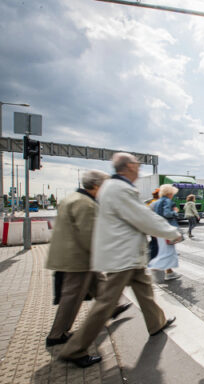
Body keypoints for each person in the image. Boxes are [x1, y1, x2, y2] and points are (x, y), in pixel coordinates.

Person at [59, 153, 181, 368]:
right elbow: (142, 217)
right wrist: (171, 232)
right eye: (137, 164)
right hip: (122, 255)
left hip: (128, 254)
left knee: (145, 291)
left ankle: (156, 323)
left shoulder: (113, 188)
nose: (139, 168)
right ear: (128, 167)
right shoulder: (119, 189)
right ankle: (75, 349)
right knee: (106, 303)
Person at [45, 170, 131, 347]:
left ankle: (113, 308)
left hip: (73, 254)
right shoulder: (86, 204)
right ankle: (57, 334)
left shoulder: (73, 198)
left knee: (100, 282)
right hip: (77, 258)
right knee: (72, 296)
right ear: (96, 185)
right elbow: (90, 235)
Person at [148, 184, 182, 281]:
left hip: (159, 230)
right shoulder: (167, 201)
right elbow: (167, 213)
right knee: (168, 252)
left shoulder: (157, 202)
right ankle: (154, 266)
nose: (173, 195)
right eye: (172, 194)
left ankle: (168, 272)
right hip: (167, 230)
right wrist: (175, 212)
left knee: (165, 251)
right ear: (170, 193)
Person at [147, 188, 161, 259]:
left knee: (154, 242)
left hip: (151, 226)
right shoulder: (157, 203)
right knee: (156, 245)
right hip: (155, 227)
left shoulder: (150, 201)